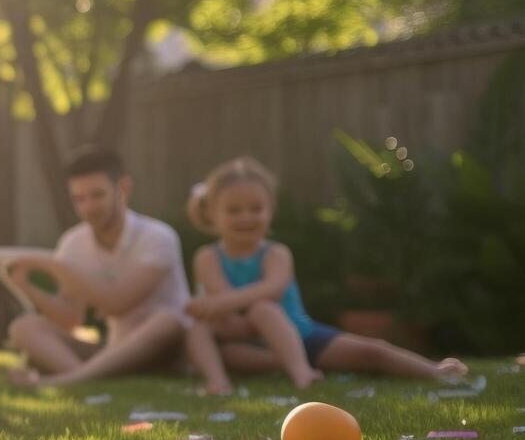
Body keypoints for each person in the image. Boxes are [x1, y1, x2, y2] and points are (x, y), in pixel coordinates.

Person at [183, 156, 467, 391]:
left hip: (301, 335)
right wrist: (217, 307)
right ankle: (218, 382)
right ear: (213, 214)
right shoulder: (208, 257)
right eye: (234, 210)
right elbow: (227, 303)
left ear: (271, 210)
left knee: (370, 351)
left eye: (256, 209)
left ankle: (433, 370)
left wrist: (215, 305)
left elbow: (272, 290)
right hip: (248, 343)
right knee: (199, 330)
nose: (246, 217)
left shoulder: (276, 253)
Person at [6, 146, 191, 387]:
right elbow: (70, 318)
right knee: (24, 327)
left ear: (123, 188)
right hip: (114, 348)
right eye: (79, 199)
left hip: (166, 348)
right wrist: (26, 286)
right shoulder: (73, 243)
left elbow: (118, 303)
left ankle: (65, 380)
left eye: (97, 195)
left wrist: (52, 266)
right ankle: (87, 376)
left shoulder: (158, 237)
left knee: (167, 320)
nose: (88, 207)